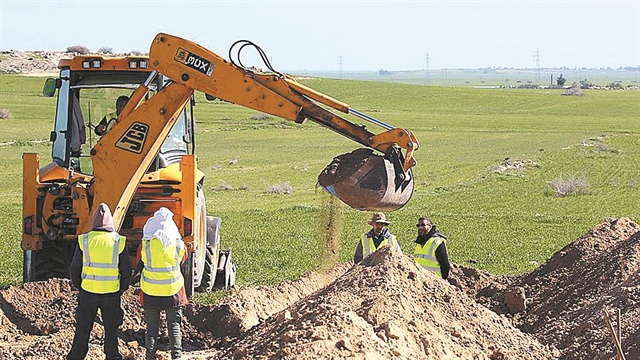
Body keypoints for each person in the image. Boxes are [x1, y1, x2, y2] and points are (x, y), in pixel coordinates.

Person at [67, 203, 130, 360]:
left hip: (88, 293)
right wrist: (122, 287)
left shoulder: (85, 241)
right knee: (111, 328)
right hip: (111, 294)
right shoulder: (118, 241)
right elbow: (126, 270)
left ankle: (76, 356)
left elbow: (74, 268)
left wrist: (79, 286)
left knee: (83, 328)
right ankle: (113, 356)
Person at [137, 207, 188, 360]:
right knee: (174, 326)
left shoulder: (145, 244)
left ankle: (149, 357)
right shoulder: (179, 245)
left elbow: (140, 262)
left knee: (151, 328)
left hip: (150, 291)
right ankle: (176, 357)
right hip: (173, 291)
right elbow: (183, 259)